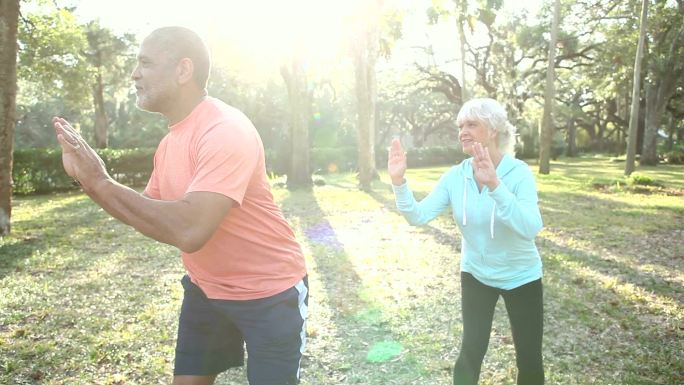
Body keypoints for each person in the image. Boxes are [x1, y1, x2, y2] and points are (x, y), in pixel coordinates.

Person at [53, 26, 308, 385]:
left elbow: (190, 230)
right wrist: (88, 181)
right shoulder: (170, 143)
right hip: (206, 288)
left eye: (145, 63)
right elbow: (144, 213)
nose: (134, 74)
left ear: (183, 70)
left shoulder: (225, 129)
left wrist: (100, 180)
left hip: (269, 293)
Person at [387, 98, 544, 385]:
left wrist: (496, 186)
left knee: (529, 359)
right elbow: (418, 216)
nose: (463, 131)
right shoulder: (455, 176)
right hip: (476, 275)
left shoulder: (518, 173)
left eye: (472, 124)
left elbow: (531, 227)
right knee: (470, 352)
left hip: (522, 276)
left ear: (493, 129)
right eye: (461, 126)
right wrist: (399, 182)